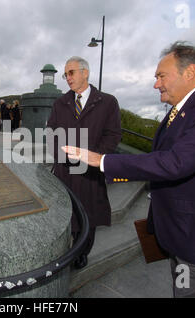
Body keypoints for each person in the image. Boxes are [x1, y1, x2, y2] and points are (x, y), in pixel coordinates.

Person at [62, 42, 195, 297]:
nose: (156, 84)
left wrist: (102, 160)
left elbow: (175, 162)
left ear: (190, 72)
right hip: (181, 233)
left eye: (161, 76)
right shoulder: (181, 109)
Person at [47, 56, 122, 269]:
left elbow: (113, 134)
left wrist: (94, 157)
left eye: (71, 73)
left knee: (89, 214)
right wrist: (62, 154)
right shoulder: (60, 103)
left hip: (91, 172)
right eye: (65, 74)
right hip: (64, 170)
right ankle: (67, 249)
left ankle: (82, 252)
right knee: (67, 213)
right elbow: (51, 132)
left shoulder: (107, 102)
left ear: (85, 72)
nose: (67, 78)